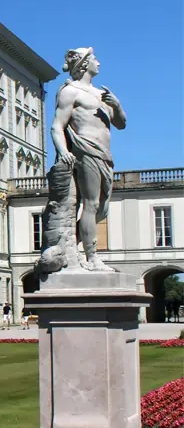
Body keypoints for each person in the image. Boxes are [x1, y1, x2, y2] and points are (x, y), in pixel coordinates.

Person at [50, 48, 126, 271]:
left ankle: (68, 245)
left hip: (105, 154)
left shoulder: (100, 94)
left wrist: (117, 105)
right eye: (95, 59)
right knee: (91, 205)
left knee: (102, 209)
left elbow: (121, 124)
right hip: (85, 149)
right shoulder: (70, 92)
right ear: (83, 64)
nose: (99, 63)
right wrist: (64, 150)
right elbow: (57, 125)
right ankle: (92, 257)